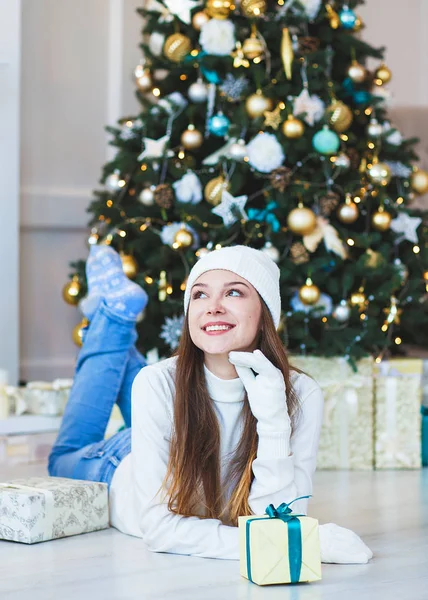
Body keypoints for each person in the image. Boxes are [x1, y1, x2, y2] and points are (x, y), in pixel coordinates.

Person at [48, 244, 373, 564]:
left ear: (265, 314)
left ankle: (114, 316)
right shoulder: (156, 382)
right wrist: (302, 545)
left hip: (175, 429)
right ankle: (115, 318)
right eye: (200, 294)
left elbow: (275, 519)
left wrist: (273, 418)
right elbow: (162, 531)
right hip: (121, 461)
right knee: (62, 458)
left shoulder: (301, 393)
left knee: (155, 381)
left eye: (233, 293)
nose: (213, 306)